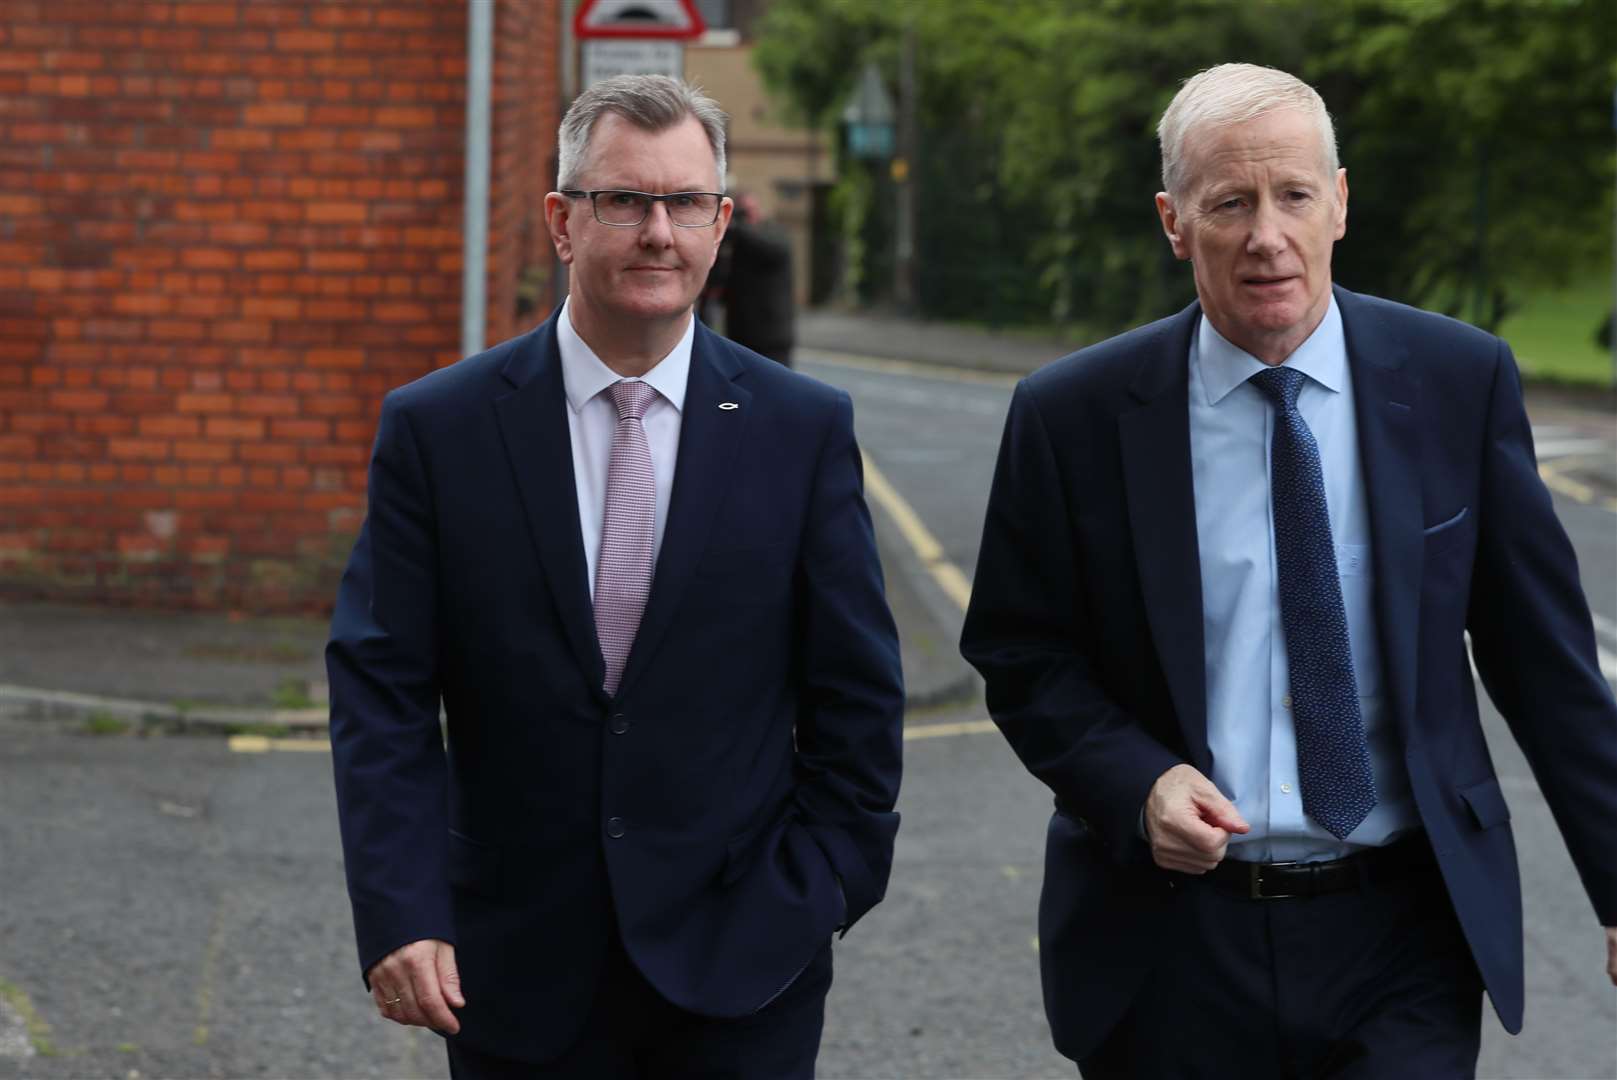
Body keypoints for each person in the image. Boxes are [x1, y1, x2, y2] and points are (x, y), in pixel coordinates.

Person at [959, 63, 1617, 1078]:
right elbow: (1020, 650)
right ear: (1174, 221)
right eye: (1230, 203)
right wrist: (1137, 786)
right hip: (1171, 943)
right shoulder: (1073, 416)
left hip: (1403, 932)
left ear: (1339, 203)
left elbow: (1546, 659)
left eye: (1294, 196)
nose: (1268, 235)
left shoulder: (1456, 382)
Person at [327, 74, 903, 1079]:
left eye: (685, 203)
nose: (657, 231)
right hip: (512, 970)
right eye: (623, 200)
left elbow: (856, 694)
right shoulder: (441, 429)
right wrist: (400, 911)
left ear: (721, 223)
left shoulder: (801, 430)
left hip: (745, 965)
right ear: (562, 220)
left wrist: (824, 886)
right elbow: (382, 691)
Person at [711, 192, 797, 367]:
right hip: (740, 335)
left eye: (748, 210)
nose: (746, 216)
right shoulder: (736, 242)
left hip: (771, 337)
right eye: (742, 212)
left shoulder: (772, 233)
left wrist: (737, 225)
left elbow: (771, 250)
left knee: (776, 390)